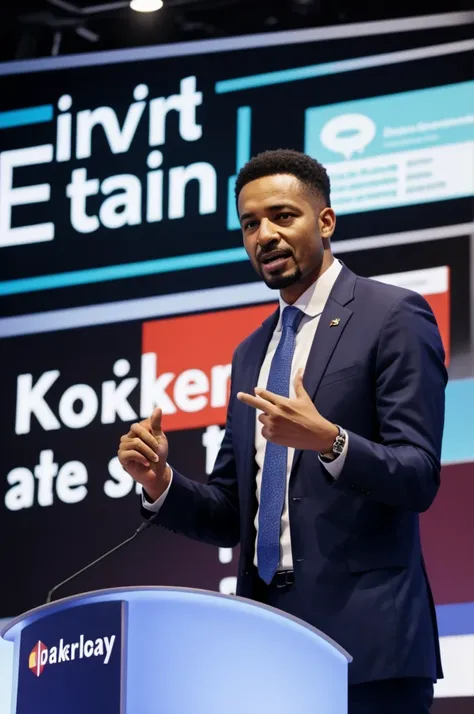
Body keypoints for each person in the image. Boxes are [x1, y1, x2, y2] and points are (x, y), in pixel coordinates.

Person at [118, 149, 446, 713]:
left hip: (370, 646)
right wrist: (161, 482)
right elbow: (230, 512)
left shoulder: (393, 315)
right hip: (269, 645)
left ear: (325, 221)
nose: (264, 235)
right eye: (250, 224)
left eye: (282, 216)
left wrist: (331, 441)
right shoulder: (251, 353)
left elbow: (418, 475)